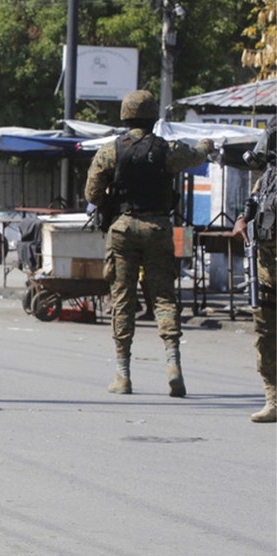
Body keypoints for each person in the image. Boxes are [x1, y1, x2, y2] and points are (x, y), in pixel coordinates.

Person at [84, 89, 213, 397]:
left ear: (125, 116)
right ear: (154, 117)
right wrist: (205, 144)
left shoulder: (110, 151)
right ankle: (173, 367)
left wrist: (112, 200)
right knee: (164, 297)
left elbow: (92, 194)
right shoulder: (166, 150)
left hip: (123, 229)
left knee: (123, 298)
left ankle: (123, 375)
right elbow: (197, 154)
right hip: (158, 227)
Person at [232, 121, 277, 423]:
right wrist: (242, 218)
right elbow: (258, 195)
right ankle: (273, 399)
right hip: (267, 261)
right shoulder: (271, 169)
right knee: (267, 329)